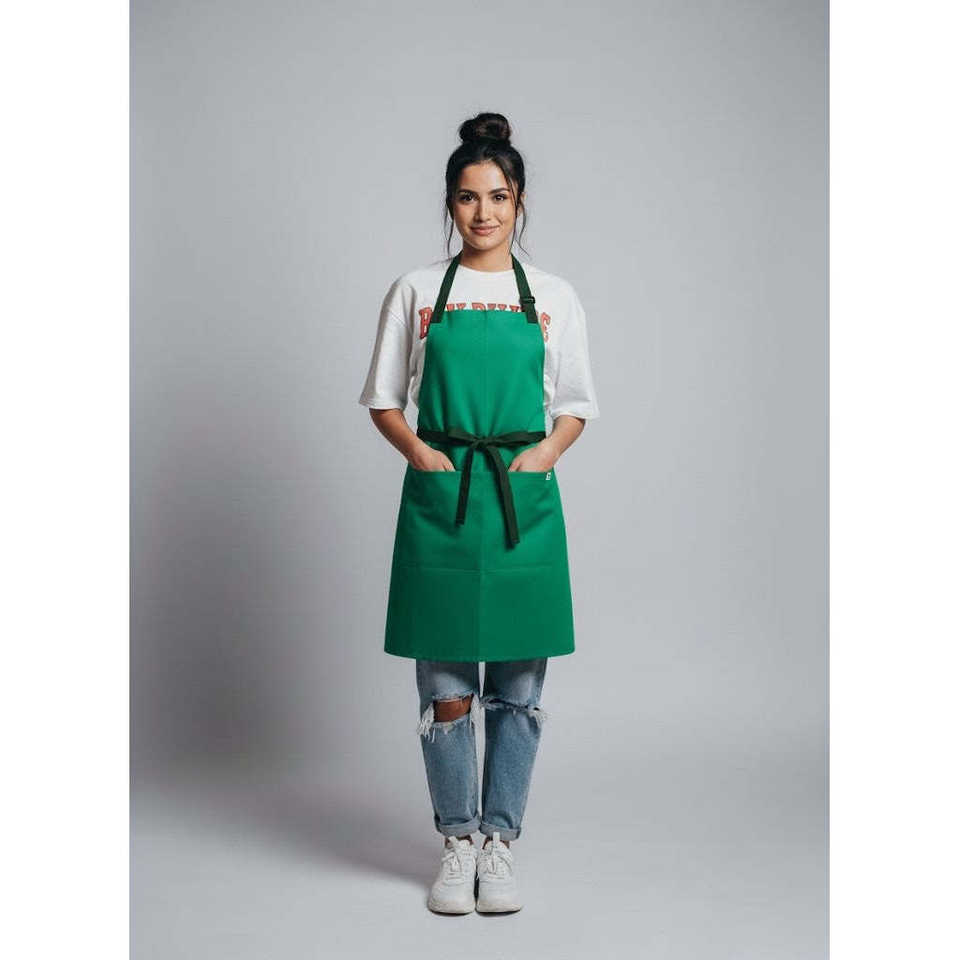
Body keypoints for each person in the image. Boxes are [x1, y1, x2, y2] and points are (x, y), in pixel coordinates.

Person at [358, 111, 600, 914]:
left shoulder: (554, 296)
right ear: (450, 204)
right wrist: (423, 455)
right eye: (468, 197)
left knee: (518, 691)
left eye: (498, 196)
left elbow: (575, 403)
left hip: (520, 498)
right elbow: (383, 398)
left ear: (519, 201)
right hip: (445, 497)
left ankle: (500, 841)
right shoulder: (417, 291)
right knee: (448, 689)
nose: (484, 212)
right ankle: (457, 840)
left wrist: (543, 455)